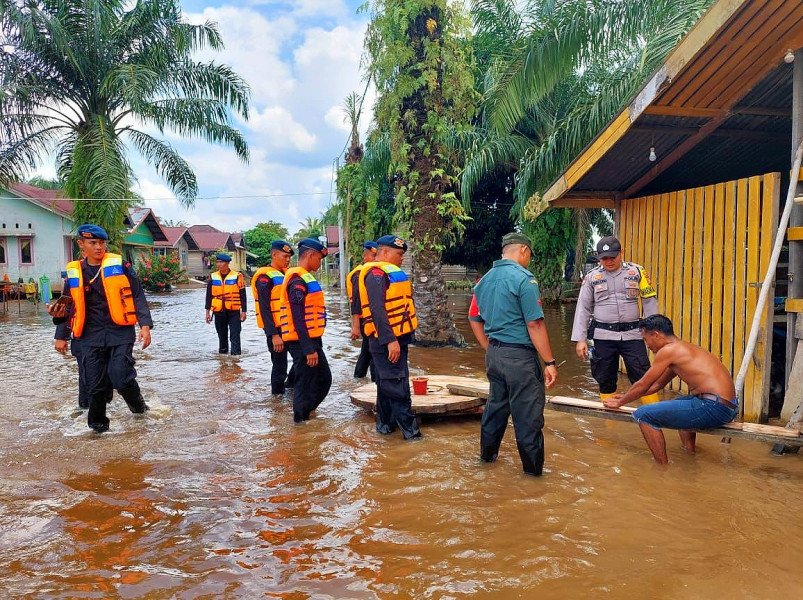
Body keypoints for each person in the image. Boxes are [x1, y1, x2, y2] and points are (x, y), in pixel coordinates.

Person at [470, 232, 558, 476]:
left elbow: (474, 318)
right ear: (523, 250)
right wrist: (549, 362)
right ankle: (533, 477)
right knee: (528, 417)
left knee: (495, 409)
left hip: (495, 356)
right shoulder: (524, 279)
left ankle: (486, 461)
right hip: (520, 358)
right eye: (529, 255)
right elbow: (535, 324)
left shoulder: (483, 281)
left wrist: (490, 347)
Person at [50, 224, 152, 433]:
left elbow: (137, 295)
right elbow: (68, 305)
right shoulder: (75, 272)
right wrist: (61, 335)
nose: (98, 247)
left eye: (102, 242)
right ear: (81, 244)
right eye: (93, 243)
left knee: (121, 377)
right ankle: (98, 430)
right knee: (94, 385)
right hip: (89, 335)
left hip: (119, 332)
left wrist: (145, 325)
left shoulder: (120, 266)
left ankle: (140, 410)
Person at [603, 315, 739, 465]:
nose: (647, 345)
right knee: (679, 405)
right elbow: (656, 385)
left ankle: (662, 468)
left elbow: (643, 384)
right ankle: (690, 456)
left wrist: (620, 403)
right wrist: (625, 396)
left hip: (714, 407)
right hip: (728, 407)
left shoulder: (669, 350)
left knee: (642, 414)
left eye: (646, 339)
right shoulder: (681, 348)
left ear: (656, 335)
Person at [571, 236, 659, 404]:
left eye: (613, 257)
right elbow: (583, 308)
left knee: (644, 377)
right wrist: (580, 339)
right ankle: (610, 417)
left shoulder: (637, 272)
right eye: (604, 258)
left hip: (633, 335)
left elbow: (649, 302)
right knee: (605, 379)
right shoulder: (592, 277)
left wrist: (654, 333)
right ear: (598, 257)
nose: (609, 261)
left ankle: (654, 415)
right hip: (603, 336)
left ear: (621, 253)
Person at [356, 235, 421, 439]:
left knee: (386, 385)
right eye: (399, 254)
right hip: (387, 340)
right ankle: (412, 436)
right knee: (397, 386)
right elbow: (377, 310)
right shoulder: (376, 274)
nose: (402, 258)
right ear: (384, 252)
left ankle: (385, 428)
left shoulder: (387, 273)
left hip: (396, 338)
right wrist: (390, 340)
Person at [279, 238, 332, 422]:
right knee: (306, 383)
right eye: (319, 259)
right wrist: (308, 348)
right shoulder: (297, 281)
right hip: (302, 342)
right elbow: (297, 316)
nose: (320, 263)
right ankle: (300, 422)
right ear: (310, 255)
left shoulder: (305, 277)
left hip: (310, 339)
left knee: (323, 379)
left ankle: (305, 415)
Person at [252, 240, 295, 395]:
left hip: (289, 327)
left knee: (301, 359)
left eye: (289, 257)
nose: (288, 259)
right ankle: (277, 399)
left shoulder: (286, 274)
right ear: (274, 255)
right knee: (279, 366)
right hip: (276, 329)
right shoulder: (264, 277)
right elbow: (264, 308)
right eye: (285, 256)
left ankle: (290, 387)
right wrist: (273, 335)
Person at [347, 240, 378, 381]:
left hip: (372, 318)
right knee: (371, 350)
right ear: (365, 256)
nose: (376, 259)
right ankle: (374, 381)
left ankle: (359, 379)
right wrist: (356, 326)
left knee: (367, 350)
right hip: (365, 320)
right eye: (374, 256)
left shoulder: (372, 272)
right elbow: (356, 302)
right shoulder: (359, 274)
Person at [205, 253, 247, 355]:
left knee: (235, 335)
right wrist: (207, 313)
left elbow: (242, 295)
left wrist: (244, 311)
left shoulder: (237, 276)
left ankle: (236, 358)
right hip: (219, 311)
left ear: (227, 263)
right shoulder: (213, 276)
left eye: (221, 262)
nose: (219, 264)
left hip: (234, 311)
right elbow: (209, 295)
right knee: (222, 336)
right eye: (218, 262)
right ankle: (222, 359)